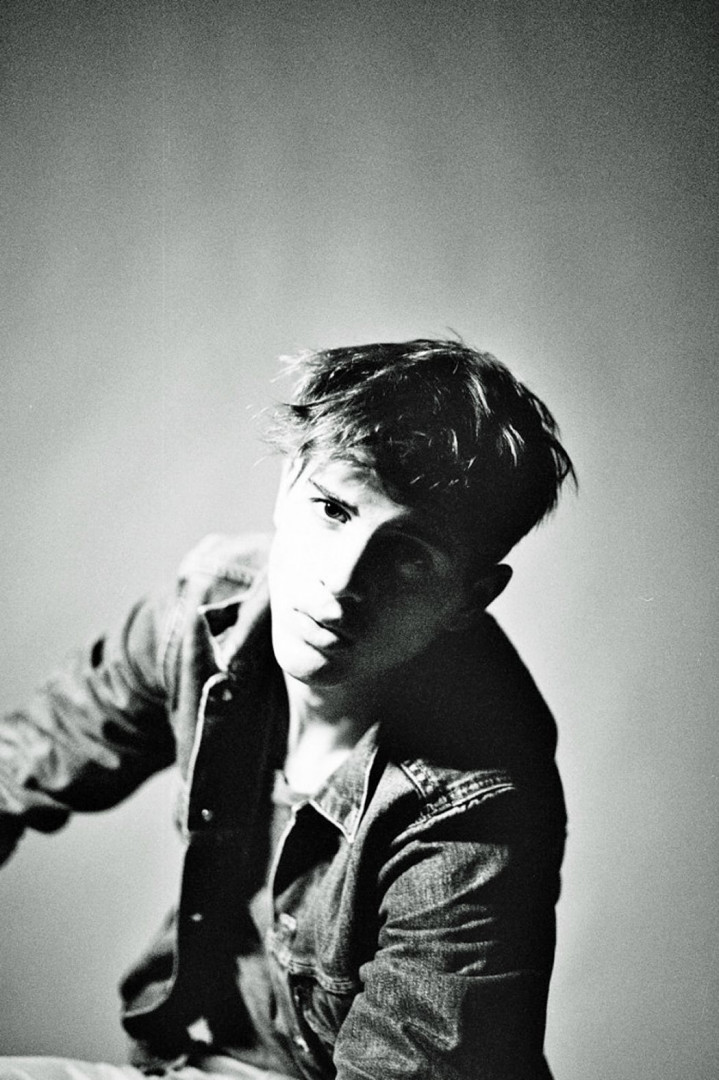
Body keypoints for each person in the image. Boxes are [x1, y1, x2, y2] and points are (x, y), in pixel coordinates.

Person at [0, 338, 576, 1080]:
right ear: (285, 488)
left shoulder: (479, 801)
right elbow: (27, 756)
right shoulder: (211, 611)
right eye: (333, 509)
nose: (341, 581)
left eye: (408, 555)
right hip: (186, 1056)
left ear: (469, 598)